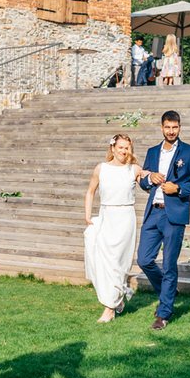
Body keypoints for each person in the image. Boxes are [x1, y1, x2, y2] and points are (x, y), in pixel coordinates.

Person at [137, 111, 190, 331]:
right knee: (144, 259)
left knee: (169, 264)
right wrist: (149, 178)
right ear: (161, 127)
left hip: (174, 214)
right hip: (153, 213)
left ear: (179, 128)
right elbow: (142, 182)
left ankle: (164, 313)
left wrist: (178, 188)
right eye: (167, 127)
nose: (171, 131)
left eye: (174, 127)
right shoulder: (152, 152)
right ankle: (168, 292)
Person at [83, 134, 142, 323]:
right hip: (107, 216)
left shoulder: (134, 170)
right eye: (121, 147)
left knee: (119, 262)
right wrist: (87, 215)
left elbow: (149, 184)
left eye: (127, 148)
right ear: (113, 148)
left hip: (125, 219)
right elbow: (90, 191)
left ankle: (109, 308)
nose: (123, 151)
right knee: (105, 262)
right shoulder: (101, 168)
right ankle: (115, 301)